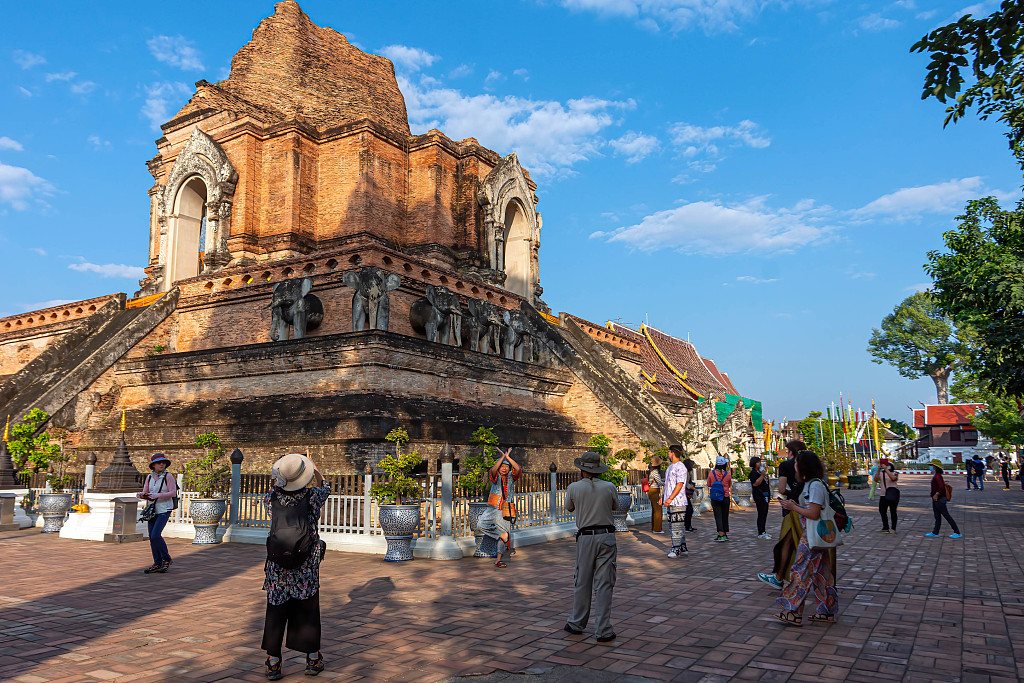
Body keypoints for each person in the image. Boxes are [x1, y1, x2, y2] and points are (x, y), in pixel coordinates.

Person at [261, 454, 330, 679]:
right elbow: (326, 487)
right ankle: (312, 660)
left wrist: (280, 477)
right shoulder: (313, 495)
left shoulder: (270, 497)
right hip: (306, 563)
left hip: (277, 564)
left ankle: (273, 663)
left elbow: (274, 487)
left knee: (275, 610)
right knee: (308, 609)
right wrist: (316, 470)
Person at [774, 450, 838, 627]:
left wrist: (793, 507)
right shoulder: (812, 484)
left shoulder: (815, 485)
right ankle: (826, 611)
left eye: (796, 463)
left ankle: (794, 612)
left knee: (800, 571)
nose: (794, 465)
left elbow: (813, 512)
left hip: (811, 536)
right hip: (817, 536)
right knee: (822, 574)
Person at [564, 451, 618, 643]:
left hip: (586, 537)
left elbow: (569, 507)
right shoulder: (610, 487)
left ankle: (577, 622)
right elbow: (615, 506)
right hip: (606, 536)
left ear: (582, 469)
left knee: (582, 580)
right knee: (604, 583)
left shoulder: (574, 487)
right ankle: (603, 629)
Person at [758, 440, 806, 588]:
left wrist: (793, 493)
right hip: (810, 504)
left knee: (787, 541)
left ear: (791, 452)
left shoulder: (786, 465)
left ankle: (780, 578)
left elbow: (781, 489)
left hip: (793, 507)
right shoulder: (810, 463)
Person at [478, 448, 520, 568]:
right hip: (493, 508)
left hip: (506, 509)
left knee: (505, 532)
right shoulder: (495, 477)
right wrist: (502, 457)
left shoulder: (511, 477)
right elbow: (493, 469)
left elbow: (518, 468)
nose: (504, 468)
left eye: (506, 466)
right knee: (481, 525)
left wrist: (508, 457)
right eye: (502, 466)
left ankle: (499, 560)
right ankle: (500, 535)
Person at [137, 453, 177, 574]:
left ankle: (167, 558)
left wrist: (157, 495)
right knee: (152, 538)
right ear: (153, 465)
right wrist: (142, 495)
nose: (161, 464)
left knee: (155, 535)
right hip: (152, 509)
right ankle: (157, 562)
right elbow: (145, 491)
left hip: (164, 509)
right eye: (159, 462)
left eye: (163, 462)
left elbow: (173, 493)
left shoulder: (168, 476)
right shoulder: (149, 477)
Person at [659, 445, 689, 557]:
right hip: (670, 500)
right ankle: (682, 546)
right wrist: (664, 497)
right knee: (674, 525)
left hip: (678, 501)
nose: (668, 454)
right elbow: (668, 485)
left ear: (672, 453)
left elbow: (680, 484)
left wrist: (670, 497)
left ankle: (676, 549)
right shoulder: (670, 467)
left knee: (677, 526)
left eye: (669, 452)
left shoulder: (680, 467)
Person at [924, 460, 962, 539]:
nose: (931, 467)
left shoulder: (937, 476)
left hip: (939, 498)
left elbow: (941, 487)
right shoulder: (937, 475)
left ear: (935, 467)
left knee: (946, 515)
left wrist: (936, 494)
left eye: (932, 465)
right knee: (937, 516)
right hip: (937, 498)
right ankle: (935, 532)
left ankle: (957, 532)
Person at [707, 455, 731, 542]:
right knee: (725, 515)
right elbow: (729, 484)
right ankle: (724, 533)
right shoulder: (728, 474)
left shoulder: (711, 473)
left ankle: (720, 534)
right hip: (725, 497)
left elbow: (709, 484)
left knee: (718, 516)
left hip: (715, 497)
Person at [750, 456, 771, 539]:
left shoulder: (759, 471)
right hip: (759, 495)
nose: (760, 463)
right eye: (758, 462)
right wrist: (762, 475)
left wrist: (764, 474)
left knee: (764, 512)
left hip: (765, 495)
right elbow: (755, 483)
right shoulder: (753, 473)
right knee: (761, 513)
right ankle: (760, 532)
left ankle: (763, 531)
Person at [877, 459, 900, 533]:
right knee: (882, 511)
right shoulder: (881, 473)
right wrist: (878, 470)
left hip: (892, 493)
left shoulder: (895, 473)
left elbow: (893, 479)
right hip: (883, 494)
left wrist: (886, 470)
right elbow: (875, 479)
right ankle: (885, 527)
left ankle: (893, 528)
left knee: (893, 511)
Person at [646, 455, 664, 534]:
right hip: (654, 491)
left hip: (651, 491)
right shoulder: (655, 472)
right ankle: (657, 529)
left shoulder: (651, 472)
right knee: (658, 510)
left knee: (654, 509)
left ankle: (654, 528)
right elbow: (660, 482)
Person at [682, 458, 697, 532]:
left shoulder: (688, 472)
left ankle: (688, 525)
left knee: (689, 510)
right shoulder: (685, 472)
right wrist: (694, 489)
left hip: (686, 492)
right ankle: (687, 526)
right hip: (684, 493)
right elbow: (686, 483)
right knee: (689, 510)